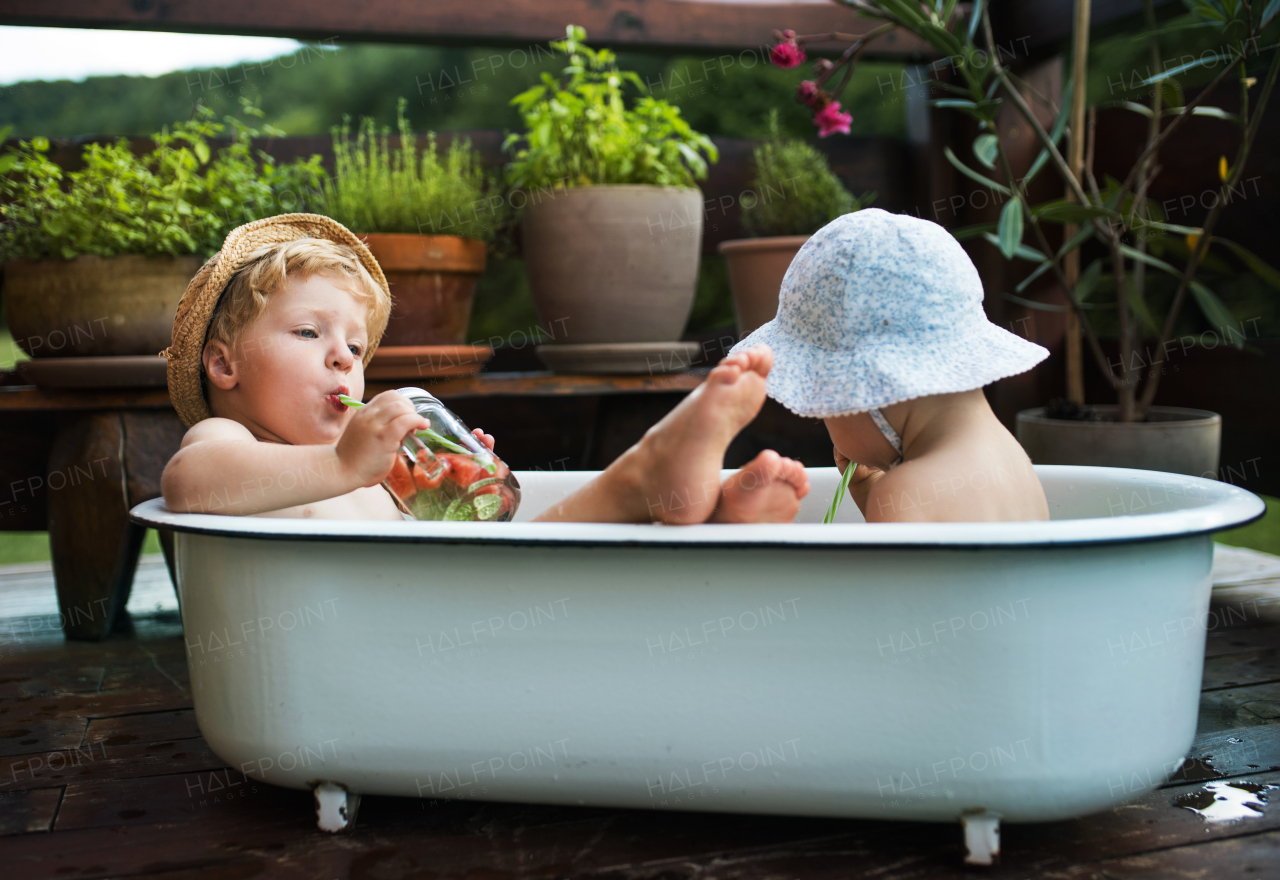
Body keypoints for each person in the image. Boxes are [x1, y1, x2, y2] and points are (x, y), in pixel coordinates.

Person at [159, 214, 809, 524]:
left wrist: (450, 481)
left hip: (441, 609)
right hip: (405, 630)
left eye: (357, 349)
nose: (342, 358)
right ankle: (647, 475)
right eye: (309, 332)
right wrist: (340, 466)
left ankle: (685, 511)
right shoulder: (231, 442)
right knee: (565, 542)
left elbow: (451, 528)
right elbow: (190, 485)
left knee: (549, 538)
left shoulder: (371, 464)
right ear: (224, 364)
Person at [731, 208, 1051, 523]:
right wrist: (868, 491)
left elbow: (882, 577)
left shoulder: (902, 494)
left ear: (868, 391)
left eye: (824, 410)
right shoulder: (1015, 460)